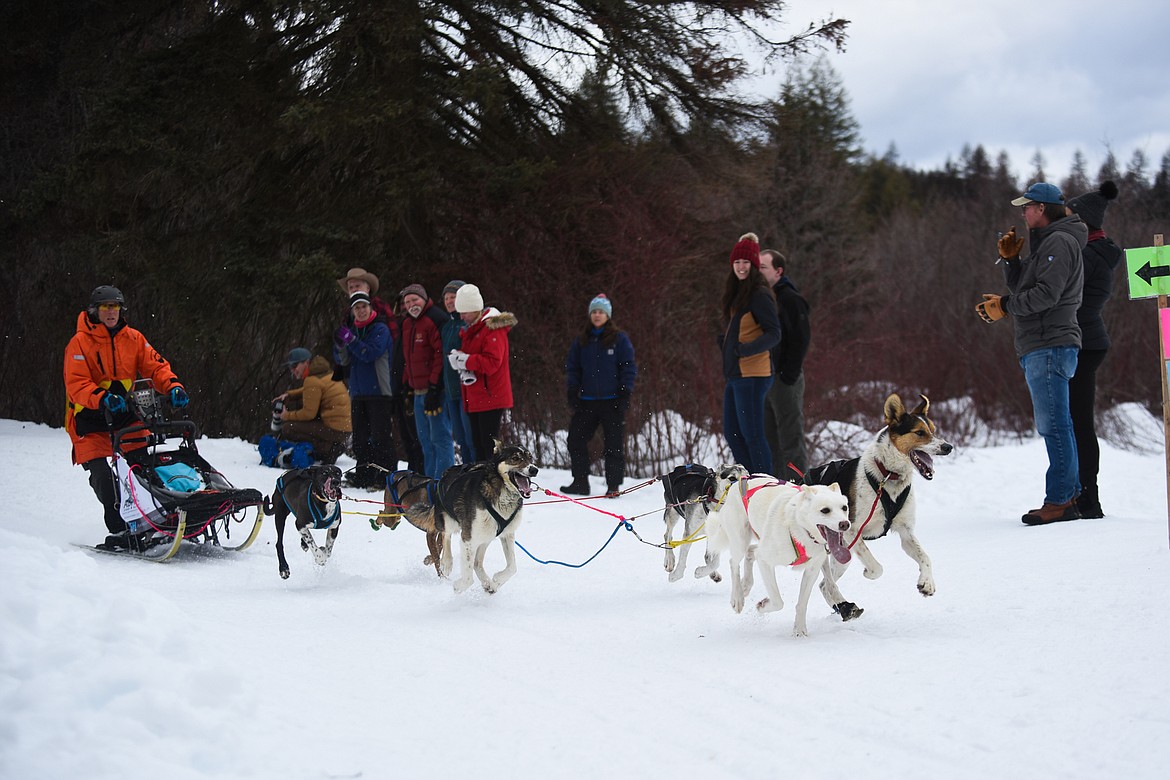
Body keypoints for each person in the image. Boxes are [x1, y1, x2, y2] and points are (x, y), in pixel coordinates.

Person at [977, 181, 1087, 525]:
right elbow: (1028, 287)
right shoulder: (1049, 243)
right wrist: (1011, 263)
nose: (1023, 213)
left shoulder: (1059, 241)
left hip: (1050, 345)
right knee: (1056, 425)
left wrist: (1006, 306)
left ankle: (1060, 500)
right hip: (1042, 345)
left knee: (1054, 427)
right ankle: (1066, 495)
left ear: (1041, 208)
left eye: (1027, 207)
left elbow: (1046, 295)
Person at [64, 285, 188, 550]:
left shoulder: (133, 339)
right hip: (89, 420)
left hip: (122, 417)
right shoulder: (79, 343)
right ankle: (119, 525)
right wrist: (100, 397)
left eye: (115, 306)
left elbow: (156, 366)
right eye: (106, 307)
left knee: (142, 470)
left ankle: (155, 519)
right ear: (95, 311)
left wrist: (173, 387)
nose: (111, 312)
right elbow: (76, 383)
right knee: (103, 479)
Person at [1065, 181, 1122, 519]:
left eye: (1071, 217)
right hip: (1089, 340)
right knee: (1077, 422)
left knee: (1079, 424)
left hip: (1083, 343)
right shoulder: (1097, 252)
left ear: (1084, 223)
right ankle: (1084, 494)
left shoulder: (1088, 256)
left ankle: (1088, 497)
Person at [560, 294, 638, 498]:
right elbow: (573, 367)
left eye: (601, 312)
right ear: (590, 314)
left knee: (613, 444)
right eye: (594, 311)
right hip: (586, 401)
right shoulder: (582, 340)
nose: (597, 315)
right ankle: (580, 482)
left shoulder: (619, 339)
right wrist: (572, 389)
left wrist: (625, 391)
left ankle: (613, 485)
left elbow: (628, 367)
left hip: (612, 400)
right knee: (575, 439)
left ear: (608, 315)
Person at [719, 232, 781, 475]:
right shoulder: (738, 292)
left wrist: (743, 350)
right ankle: (748, 481)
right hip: (736, 375)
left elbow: (774, 333)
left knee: (752, 435)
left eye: (745, 262)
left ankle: (764, 484)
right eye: (737, 262)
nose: (741, 267)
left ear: (754, 265)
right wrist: (724, 344)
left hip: (754, 374)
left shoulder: (759, 293)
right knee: (733, 434)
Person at [334, 291, 397, 489]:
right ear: (352, 312)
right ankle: (364, 475)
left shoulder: (380, 329)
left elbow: (370, 353)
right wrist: (340, 345)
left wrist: (351, 341)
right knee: (360, 438)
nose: (360, 311)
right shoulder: (353, 330)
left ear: (370, 308)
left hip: (379, 391)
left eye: (364, 307)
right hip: (358, 392)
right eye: (356, 308)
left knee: (381, 437)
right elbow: (343, 361)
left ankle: (384, 477)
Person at [447, 284, 517, 461]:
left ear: (475, 308)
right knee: (478, 444)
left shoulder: (493, 329)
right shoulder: (472, 329)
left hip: (491, 396)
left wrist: (466, 360)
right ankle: (481, 482)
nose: (461, 316)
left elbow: (492, 362)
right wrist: (461, 359)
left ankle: (492, 483)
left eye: (465, 312)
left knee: (488, 446)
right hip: (475, 396)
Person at [758, 248, 811, 480]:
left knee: (791, 440)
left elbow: (801, 339)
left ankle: (800, 489)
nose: (757, 271)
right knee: (770, 441)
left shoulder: (790, 298)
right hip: (764, 379)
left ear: (778, 271)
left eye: (763, 267)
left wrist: (787, 374)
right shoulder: (762, 297)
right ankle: (777, 490)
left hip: (785, 380)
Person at [400, 283, 456, 478]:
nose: (411, 304)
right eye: (407, 302)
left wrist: (434, 386)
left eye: (415, 300)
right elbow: (409, 358)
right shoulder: (407, 323)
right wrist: (407, 384)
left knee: (440, 438)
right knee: (424, 440)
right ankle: (430, 482)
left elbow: (439, 356)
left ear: (424, 299)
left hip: (435, 392)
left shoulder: (435, 318)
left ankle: (444, 480)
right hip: (417, 392)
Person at [278, 347, 352, 464]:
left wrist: (286, 416)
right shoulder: (324, 374)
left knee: (289, 429)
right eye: (290, 367)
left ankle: (327, 449)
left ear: (306, 363)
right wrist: (290, 395)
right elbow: (310, 390)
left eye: (295, 365)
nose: (293, 370)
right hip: (344, 430)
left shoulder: (312, 380)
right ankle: (331, 446)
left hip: (335, 431)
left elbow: (308, 414)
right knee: (305, 420)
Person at [440, 280, 477, 464]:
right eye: (446, 298)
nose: (448, 301)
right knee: (461, 438)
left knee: (472, 438)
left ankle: (476, 472)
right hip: (450, 391)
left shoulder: (467, 324)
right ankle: (466, 473)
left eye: (453, 297)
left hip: (467, 389)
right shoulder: (446, 327)